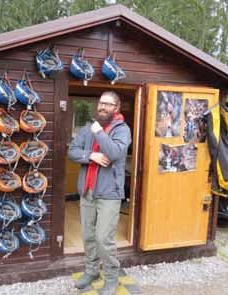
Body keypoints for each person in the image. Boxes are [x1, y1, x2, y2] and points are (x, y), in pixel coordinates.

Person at [68, 91, 131, 295]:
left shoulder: (122, 129)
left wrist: (99, 132)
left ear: (116, 107)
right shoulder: (89, 127)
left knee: (103, 238)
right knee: (88, 235)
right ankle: (92, 271)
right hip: (87, 191)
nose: (102, 107)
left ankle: (111, 277)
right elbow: (72, 151)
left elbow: (114, 152)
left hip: (109, 193)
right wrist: (91, 155)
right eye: (101, 103)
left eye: (108, 104)